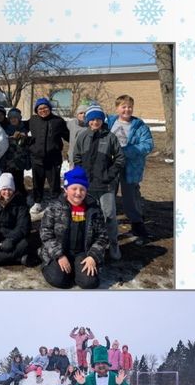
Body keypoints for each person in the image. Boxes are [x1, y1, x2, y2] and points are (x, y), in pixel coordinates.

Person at [39, 167, 108, 289]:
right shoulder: (54, 207)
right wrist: (59, 255)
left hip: (83, 253)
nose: (78, 193)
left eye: (82, 189)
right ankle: (50, 265)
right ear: (66, 189)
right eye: (74, 188)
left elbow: (102, 236)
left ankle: (76, 269)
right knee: (59, 280)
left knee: (89, 283)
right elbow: (46, 233)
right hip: (60, 252)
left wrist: (93, 256)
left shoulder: (94, 209)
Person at [73, 103, 125, 261]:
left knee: (109, 215)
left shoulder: (110, 137)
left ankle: (114, 243)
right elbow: (76, 158)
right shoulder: (82, 136)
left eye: (98, 119)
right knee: (81, 214)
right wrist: (81, 177)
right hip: (86, 186)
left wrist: (109, 175)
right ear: (87, 120)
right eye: (92, 119)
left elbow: (120, 159)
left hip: (105, 185)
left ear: (103, 120)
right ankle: (81, 243)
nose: (95, 122)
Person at [107, 94, 155, 245]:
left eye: (129, 107)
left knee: (131, 196)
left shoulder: (139, 126)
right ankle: (105, 223)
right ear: (117, 108)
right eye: (123, 106)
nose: (127, 110)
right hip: (111, 165)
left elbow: (147, 144)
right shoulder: (109, 123)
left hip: (130, 166)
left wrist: (127, 151)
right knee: (108, 194)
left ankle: (137, 224)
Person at [28, 97, 70, 211]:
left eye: (45, 107)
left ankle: (55, 203)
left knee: (54, 183)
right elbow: (21, 128)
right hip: (37, 158)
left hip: (53, 159)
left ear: (50, 108)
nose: (43, 110)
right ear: (36, 110)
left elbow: (69, 136)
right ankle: (37, 202)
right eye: (40, 108)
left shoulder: (58, 121)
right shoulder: (33, 120)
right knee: (37, 182)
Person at [0, 107, 30, 197]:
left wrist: (24, 137)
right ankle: (8, 194)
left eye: (15, 118)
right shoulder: (5, 129)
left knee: (19, 179)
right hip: (9, 160)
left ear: (19, 118)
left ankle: (20, 195)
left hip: (20, 160)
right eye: (11, 118)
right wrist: (11, 138)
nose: (13, 120)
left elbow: (27, 143)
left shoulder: (24, 128)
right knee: (8, 178)